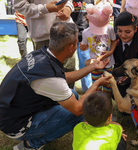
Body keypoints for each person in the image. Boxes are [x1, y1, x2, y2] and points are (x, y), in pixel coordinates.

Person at [0, 22, 111, 150]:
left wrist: (93, 66)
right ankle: (30, 145)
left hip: (12, 113)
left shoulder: (40, 55)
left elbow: (62, 79)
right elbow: (78, 109)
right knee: (82, 112)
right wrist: (97, 83)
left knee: (73, 95)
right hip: (15, 126)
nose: (77, 46)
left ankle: (41, 129)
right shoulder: (49, 77)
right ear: (70, 47)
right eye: (76, 43)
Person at [13, 0, 76, 89]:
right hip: (43, 35)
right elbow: (20, 6)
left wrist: (68, 7)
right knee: (46, 77)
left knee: (68, 70)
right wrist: (44, 8)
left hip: (65, 29)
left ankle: (69, 100)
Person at [79, 1, 116, 94]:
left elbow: (114, 40)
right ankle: (99, 103)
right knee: (96, 87)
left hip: (108, 64)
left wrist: (111, 51)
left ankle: (107, 103)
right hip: (95, 65)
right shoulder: (85, 32)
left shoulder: (109, 29)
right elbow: (86, 46)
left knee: (108, 85)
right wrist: (83, 47)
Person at [113, 10, 138, 98]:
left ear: (135, 29)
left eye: (127, 32)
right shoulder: (114, 40)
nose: (123, 35)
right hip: (117, 79)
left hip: (134, 84)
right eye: (120, 30)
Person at [71, 0, 94, 92]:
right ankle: (69, 90)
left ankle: (87, 90)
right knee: (69, 65)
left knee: (85, 63)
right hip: (70, 33)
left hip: (84, 34)